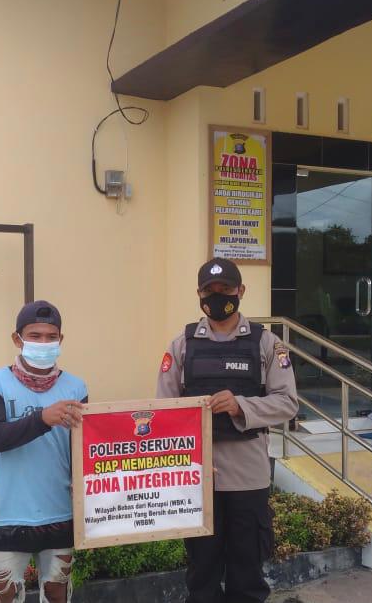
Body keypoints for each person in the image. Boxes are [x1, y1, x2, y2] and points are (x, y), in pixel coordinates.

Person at [157, 258, 299, 603]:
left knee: (247, 571)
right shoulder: (181, 345)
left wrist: (241, 406)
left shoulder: (267, 344)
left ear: (241, 291)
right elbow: (164, 409)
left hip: (247, 476)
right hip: (198, 476)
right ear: (199, 294)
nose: (218, 295)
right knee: (201, 572)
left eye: (226, 289)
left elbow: (287, 403)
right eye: (210, 290)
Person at [0, 300, 87, 603]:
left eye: (51, 337)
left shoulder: (76, 388)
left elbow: (84, 450)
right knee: (1, 594)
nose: (43, 343)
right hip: (9, 514)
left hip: (60, 513)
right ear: (17, 339)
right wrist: (42, 419)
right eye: (35, 336)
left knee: (57, 593)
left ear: (61, 340)